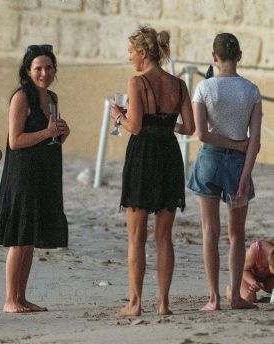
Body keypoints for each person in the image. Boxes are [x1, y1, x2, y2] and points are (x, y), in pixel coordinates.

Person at [110, 26, 195, 316]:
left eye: (132, 51)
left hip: (143, 155)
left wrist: (118, 115)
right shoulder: (179, 84)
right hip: (169, 154)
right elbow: (190, 128)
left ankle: (135, 303)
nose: (130, 56)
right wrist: (167, 125)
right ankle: (163, 303)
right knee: (164, 236)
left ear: (143, 53)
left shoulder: (137, 82)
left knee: (136, 236)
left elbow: (134, 126)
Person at [0, 44, 70, 313]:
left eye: (48, 68)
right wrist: (48, 134)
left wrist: (60, 134)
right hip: (22, 174)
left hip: (44, 172)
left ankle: (21, 297)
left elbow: (49, 136)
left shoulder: (53, 98)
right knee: (19, 236)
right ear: (28, 71)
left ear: (55, 70)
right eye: (38, 68)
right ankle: (10, 299)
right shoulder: (22, 97)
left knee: (30, 238)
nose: (44, 73)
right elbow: (15, 141)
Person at [187, 32, 262, 311]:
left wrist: (229, 143)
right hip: (238, 165)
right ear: (239, 56)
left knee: (210, 230)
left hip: (209, 161)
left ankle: (213, 298)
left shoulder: (204, 89)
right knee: (237, 235)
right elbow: (254, 141)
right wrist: (245, 174)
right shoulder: (251, 91)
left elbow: (202, 135)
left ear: (214, 57)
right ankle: (235, 297)